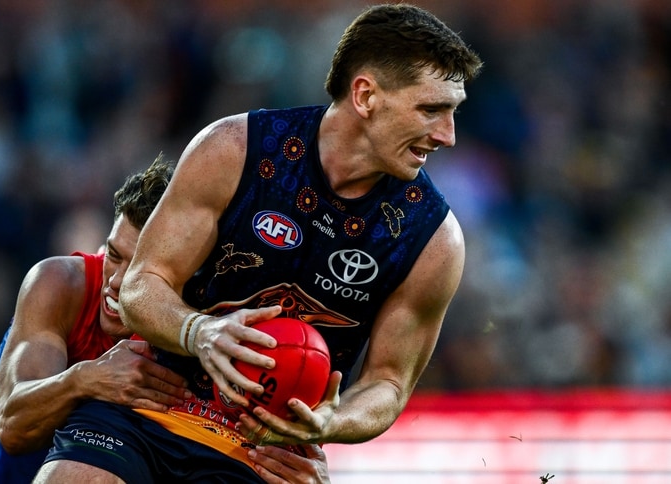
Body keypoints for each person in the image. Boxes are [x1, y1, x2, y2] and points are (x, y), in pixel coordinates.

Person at [35, 3, 483, 483]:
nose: (447, 135)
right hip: (147, 408)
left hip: (263, 453)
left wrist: (333, 422)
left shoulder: (433, 239)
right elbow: (143, 285)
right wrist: (199, 333)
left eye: (451, 112)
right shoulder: (234, 149)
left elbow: (388, 384)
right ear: (366, 94)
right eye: (431, 109)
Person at [0, 155, 330, 484]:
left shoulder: (211, 325)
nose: (116, 281)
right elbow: (12, 426)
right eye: (113, 255)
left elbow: (276, 437)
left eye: (138, 266)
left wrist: (311, 471)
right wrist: (88, 380)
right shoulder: (61, 283)